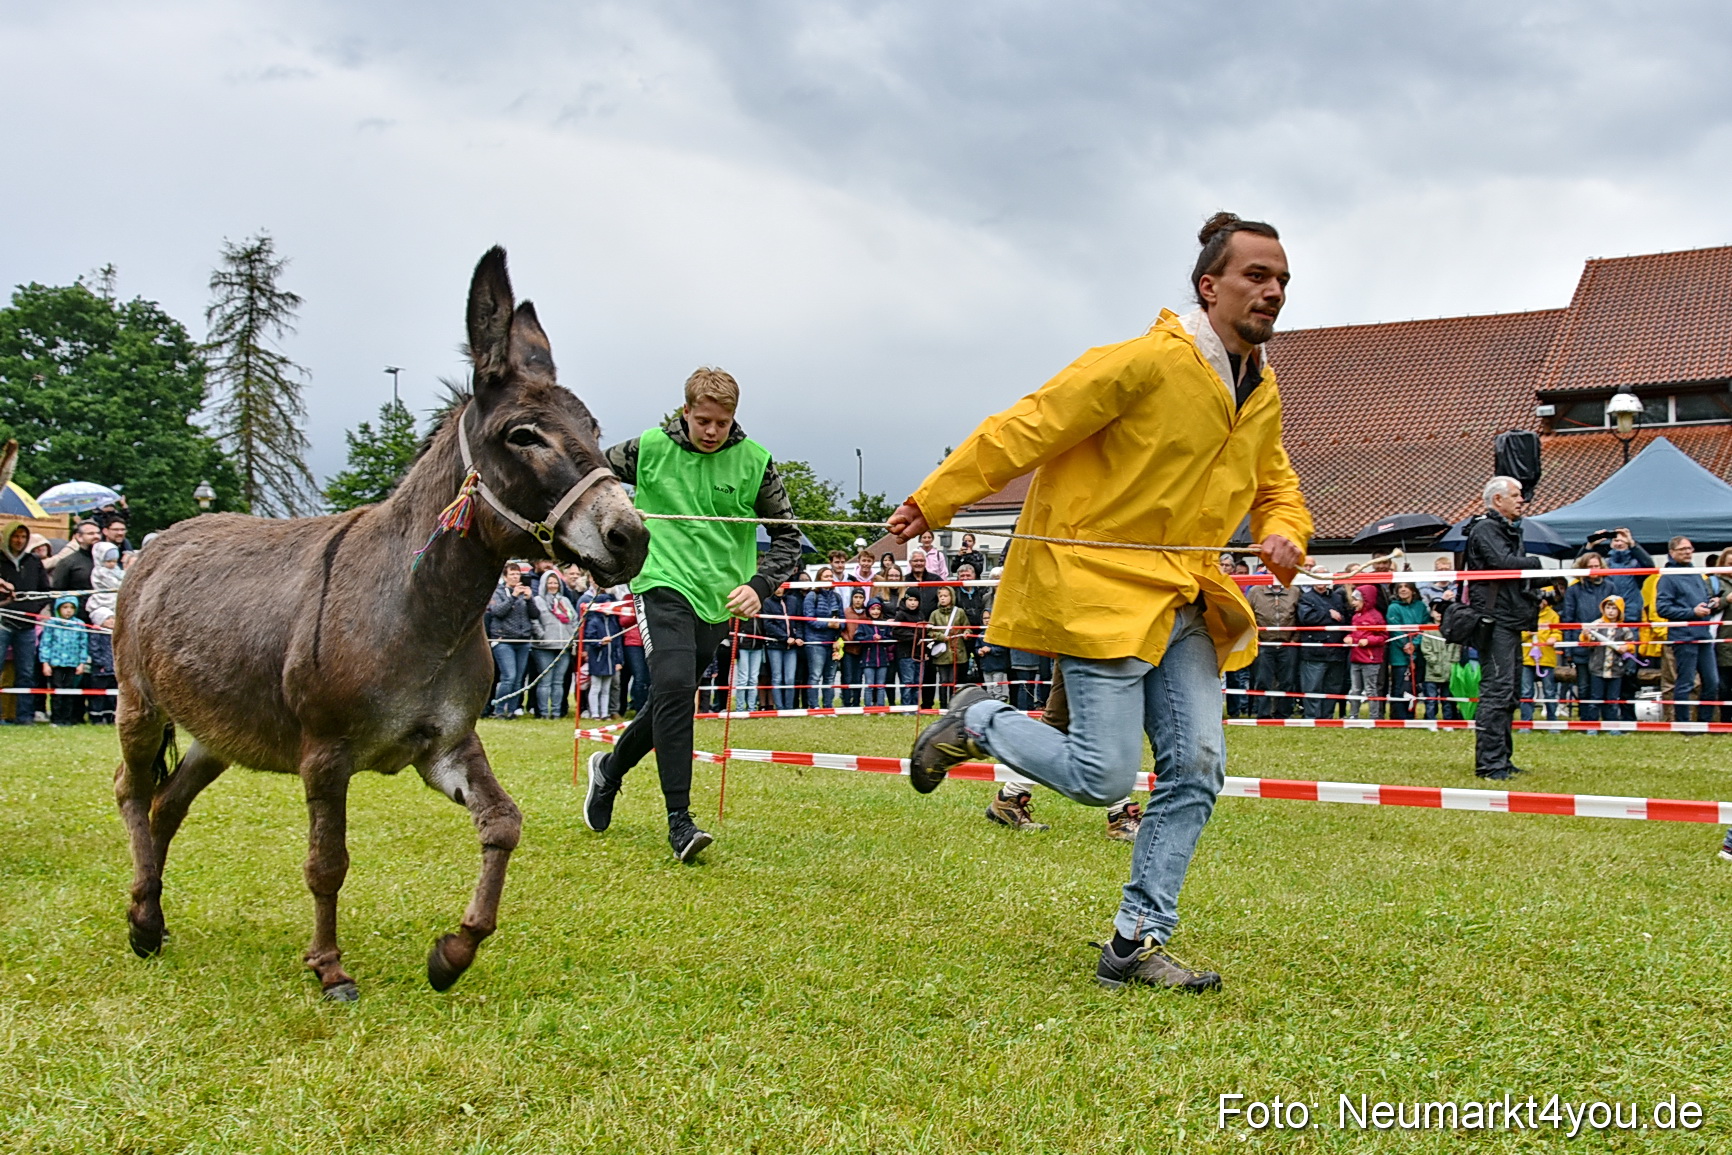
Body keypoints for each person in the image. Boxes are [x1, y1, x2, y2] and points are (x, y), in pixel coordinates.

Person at [891, 211, 1310, 991]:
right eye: (1258, 275)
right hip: (1100, 589)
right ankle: (979, 717)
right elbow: (1031, 425)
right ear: (1209, 285)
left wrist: (1285, 530)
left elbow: (1275, 481)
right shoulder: (1146, 361)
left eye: (1283, 278)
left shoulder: (1262, 390)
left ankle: (1135, 941)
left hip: (1186, 592)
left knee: (1197, 765)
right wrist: (936, 501)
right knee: (1104, 777)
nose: (1274, 290)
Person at [584, 367, 803, 862]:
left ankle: (610, 770)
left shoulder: (756, 462)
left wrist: (758, 585)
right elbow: (585, 474)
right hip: (660, 580)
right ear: (685, 412)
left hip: (719, 596)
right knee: (676, 685)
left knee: (671, 695)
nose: (711, 431)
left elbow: (790, 539)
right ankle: (679, 821)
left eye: (721, 423)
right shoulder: (648, 449)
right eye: (703, 420)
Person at [1463, 477, 1546, 778]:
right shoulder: (1485, 529)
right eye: (1515, 495)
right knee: (1496, 691)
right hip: (1495, 621)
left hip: (1512, 620)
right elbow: (1502, 563)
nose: (1521, 500)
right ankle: (1489, 764)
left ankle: (1503, 759)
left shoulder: (1507, 529)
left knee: (1509, 693)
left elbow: (1514, 573)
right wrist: (1535, 565)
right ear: (1497, 500)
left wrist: (1542, 588)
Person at [1654, 535, 1721, 723]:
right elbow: (1663, 608)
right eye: (1682, 549)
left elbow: (1702, 597)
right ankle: (1684, 724)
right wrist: (1691, 612)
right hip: (1684, 636)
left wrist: (1712, 603)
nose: (1687, 552)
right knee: (1685, 682)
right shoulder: (1668, 577)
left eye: (1689, 548)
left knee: (1712, 681)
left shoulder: (1696, 573)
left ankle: (1705, 722)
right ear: (1671, 552)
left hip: (1703, 634)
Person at [0, 522, 49, 724]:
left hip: (27, 625)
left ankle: (25, 716)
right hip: (2, 621)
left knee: (27, 674)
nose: (19, 540)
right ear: (8, 537)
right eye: (15, 536)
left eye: (23, 537)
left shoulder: (33, 561)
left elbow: (46, 591)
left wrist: (32, 609)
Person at [1561, 552, 1610, 721]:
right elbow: (1568, 619)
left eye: (1597, 566)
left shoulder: (1610, 587)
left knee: (1603, 683)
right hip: (1581, 643)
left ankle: (1605, 718)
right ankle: (1586, 719)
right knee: (1583, 685)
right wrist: (1568, 648)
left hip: (1605, 643)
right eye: (1590, 567)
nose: (1594, 570)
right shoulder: (1574, 590)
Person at [485, 563, 539, 717]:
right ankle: (499, 709)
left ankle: (512, 710)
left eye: (517, 574)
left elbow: (535, 615)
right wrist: (513, 597)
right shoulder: (498, 592)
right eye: (512, 574)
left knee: (518, 679)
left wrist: (529, 599)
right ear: (505, 576)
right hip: (503, 640)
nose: (516, 577)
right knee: (509, 676)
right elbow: (497, 611)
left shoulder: (525, 593)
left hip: (522, 640)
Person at [1579, 596, 1638, 734]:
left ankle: (1612, 726)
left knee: (1613, 700)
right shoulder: (1596, 625)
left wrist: (1627, 647)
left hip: (1616, 670)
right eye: (1608, 608)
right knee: (1595, 699)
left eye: (1614, 608)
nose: (1611, 611)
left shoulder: (1624, 629)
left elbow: (1632, 644)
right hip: (1597, 669)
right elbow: (1585, 642)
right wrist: (1585, 634)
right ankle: (1593, 726)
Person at [1245, 572, 1299, 718]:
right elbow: (1247, 615)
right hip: (1263, 643)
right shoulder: (1255, 591)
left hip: (1288, 643)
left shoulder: (1294, 591)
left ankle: (1284, 713)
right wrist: (1255, 639)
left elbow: (1299, 616)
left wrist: (1295, 639)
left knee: (1287, 681)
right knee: (1262, 680)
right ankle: (1263, 714)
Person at [1297, 577, 1350, 719]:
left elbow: (1345, 618)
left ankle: (1327, 717)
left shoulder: (1338, 598)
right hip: (1314, 651)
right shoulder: (1305, 598)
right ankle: (1312, 717)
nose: (1321, 580)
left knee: (1333, 687)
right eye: (1317, 577)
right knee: (1312, 687)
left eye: (1324, 576)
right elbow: (1306, 618)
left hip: (1336, 650)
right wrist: (1328, 614)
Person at [528, 571, 578, 719]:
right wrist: (541, 635)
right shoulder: (538, 600)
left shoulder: (565, 601)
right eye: (550, 582)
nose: (553, 585)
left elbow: (574, 620)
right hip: (544, 647)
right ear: (544, 584)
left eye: (555, 583)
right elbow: (534, 619)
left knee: (558, 682)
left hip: (563, 647)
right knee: (545, 681)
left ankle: (556, 712)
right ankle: (543, 712)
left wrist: (572, 636)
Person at [39, 595, 89, 726]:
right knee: (57, 692)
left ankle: (67, 719)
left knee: (69, 692)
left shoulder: (79, 624)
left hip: (73, 664)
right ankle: (56, 719)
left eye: (72, 608)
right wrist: (45, 663)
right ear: (58, 608)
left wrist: (82, 663)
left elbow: (83, 645)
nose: (68, 610)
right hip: (56, 664)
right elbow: (45, 644)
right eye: (65, 607)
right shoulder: (51, 624)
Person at [802, 567, 846, 709]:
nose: (829, 579)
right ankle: (813, 706)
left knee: (830, 677)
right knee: (815, 675)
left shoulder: (837, 597)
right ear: (819, 579)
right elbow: (808, 619)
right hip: (815, 642)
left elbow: (843, 619)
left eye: (830, 576)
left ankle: (828, 705)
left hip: (832, 642)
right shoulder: (811, 596)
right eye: (825, 576)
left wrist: (838, 626)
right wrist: (827, 624)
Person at [1385, 582, 1429, 720]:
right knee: (1399, 685)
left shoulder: (1420, 607)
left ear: (1413, 590)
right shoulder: (1393, 608)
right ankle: (1399, 716)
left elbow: (1424, 627)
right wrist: (1406, 644)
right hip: (1400, 654)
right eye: (1400, 587)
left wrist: (1415, 644)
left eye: (1406, 587)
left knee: (1415, 685)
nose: (1403, 590)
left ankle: (1412, 713)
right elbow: (1395, 629)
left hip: (1418, 652)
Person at [1345, 585, 1387, 719]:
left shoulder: (1376, 617)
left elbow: (1384, 636)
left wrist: (1369, 641)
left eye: (1356, 600)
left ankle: (1374, 716)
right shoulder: (1356, 616)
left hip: (1370, 659)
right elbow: (1354, 632)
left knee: (1370, 689)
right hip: (1356, 657)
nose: (1353, 603)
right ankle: (1353, 715)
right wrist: (1349, 637)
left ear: (1366, 600)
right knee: (1355, 689)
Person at [925, 585, 970, 707]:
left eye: (946, 596)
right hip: (942, 653)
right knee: (944, 680)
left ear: (952, 597)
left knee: (954, 681)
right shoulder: (934, 614)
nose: (943, 598)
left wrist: (966, 633)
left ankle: (953, 705)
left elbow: (967, 626)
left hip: (957, 651)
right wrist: (940, 636)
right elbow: (930, 631)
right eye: (941, 596)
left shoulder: (959, 612)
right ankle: (943, 705)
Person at [1519, 597, 1562, 723]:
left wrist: (1554, 638)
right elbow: (1517, 634)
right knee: (1526, 691)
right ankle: (1526, 722)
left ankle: (1552, 721)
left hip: (1546, 659)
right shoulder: (1524, 613)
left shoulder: (1553, 615)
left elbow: (1557, 632)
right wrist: (1528, 633)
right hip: (1527, 659)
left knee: (1549, 691)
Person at [1418, 602, 1461, 720]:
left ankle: (1448, 721)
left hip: (1449, 671)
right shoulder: (1428, 629)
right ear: (1431, 613)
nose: (1439, 614)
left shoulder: (1453, 629)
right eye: (1436, 611)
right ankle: (1430, 720)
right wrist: (1435, 663)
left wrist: (1452, 663)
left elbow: (1457, 649)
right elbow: (1426, 649)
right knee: (1431, 699)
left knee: (1447, 700)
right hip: (1432, 672)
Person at [759, 584, 799, 711]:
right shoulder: (768, 603)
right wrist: (785, 637)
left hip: (791, 647)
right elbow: (768, 625)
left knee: (790, 678)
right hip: (775, 645)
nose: (779, 589)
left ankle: (788, 707)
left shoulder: (793, 601)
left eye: (781, 586)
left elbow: (798, 621)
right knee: (777, 677)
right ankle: (780, 707)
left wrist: (798, 636)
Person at [855, 599, 895, 707]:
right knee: (869, 685)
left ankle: (881, 707)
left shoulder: (883, 624)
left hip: (882, 660)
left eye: (878, 609)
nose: (875, 612)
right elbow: (858, 637)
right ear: (868, 610)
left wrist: (882, 638)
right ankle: (868, 707)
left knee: (881, 686)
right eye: (873, 609)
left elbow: (890, 639)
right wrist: (871, 638)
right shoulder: (864, 624)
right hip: (868, 660)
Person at [893, 591, 926, 706]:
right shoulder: (901, 615)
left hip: (919, 653)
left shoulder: (921, 615)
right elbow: (896, 631)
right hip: (906, 654)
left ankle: (915, 706)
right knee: (908, 681)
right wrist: (914, 637)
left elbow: (924, 632)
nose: (913, 603)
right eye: (910, 600)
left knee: (918, 682)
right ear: (905, 601)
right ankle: (906, 707)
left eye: (915, 600)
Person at [840, 588, 869, 707]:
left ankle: (856, 702)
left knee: (858, 677)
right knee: (847, 676)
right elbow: (841, 628)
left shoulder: (867, 614)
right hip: (848, 648)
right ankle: (846, 702)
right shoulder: (846, 612)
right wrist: (847, 638)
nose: (858, 600)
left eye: (860, 597)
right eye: (855, 597)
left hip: (862, 649)